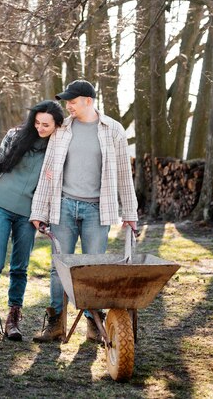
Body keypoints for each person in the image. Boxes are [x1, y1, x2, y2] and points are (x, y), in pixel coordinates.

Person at [30, 79, 138, 342]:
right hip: (64, 206)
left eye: (73, 101)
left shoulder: (113, 129)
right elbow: (48, 172)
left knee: (94, 268)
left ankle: (93, 324)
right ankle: (55, 323)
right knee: (60, 267)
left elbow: (124, 173)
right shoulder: (62, 129)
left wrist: (130, 212)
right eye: (67, 101)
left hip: (97, 210)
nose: (68, 106)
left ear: (88, 101)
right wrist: (38, 211)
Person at [0, 99, 64, 341]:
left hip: (29, 213)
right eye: (37, 122)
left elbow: (57, 184)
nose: (40, 128)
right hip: (0, 204)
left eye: (46, 125)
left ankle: (13, 317)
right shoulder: (16, 135)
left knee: (20, 267)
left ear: (57, 125)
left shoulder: (57, 147)